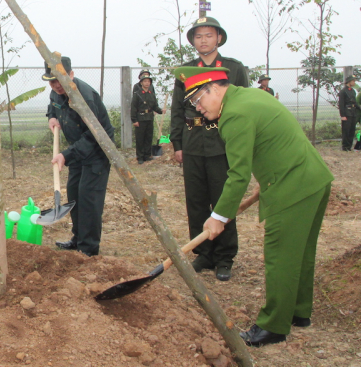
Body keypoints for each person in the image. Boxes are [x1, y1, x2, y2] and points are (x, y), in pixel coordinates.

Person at [176, 66, 334, 347]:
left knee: (281, 256)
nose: (198, 109)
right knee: (301, 252)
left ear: (214, 88)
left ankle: (273, 325)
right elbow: (274, 140)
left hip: (293, 186)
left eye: (199, 100)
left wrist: (217, 216)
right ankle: (298, 312)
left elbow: (238, 174)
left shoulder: (234, 114)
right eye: (193, 105)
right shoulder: (250, 96)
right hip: (314, 178)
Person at [170, 17, 250, 282]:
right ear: (193, 41)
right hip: (193, 143)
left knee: (222, 199)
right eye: (198, 36)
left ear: (219, 38)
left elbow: (244, 105)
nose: (203, 40)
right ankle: (203, 253)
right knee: (196, 201)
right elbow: (178, 109)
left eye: (208, 35)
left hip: (222, 143)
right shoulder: (185, 71)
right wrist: (178, 143)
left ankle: (224, 258)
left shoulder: (233, 69)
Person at [44, 56, 114, 257]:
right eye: (51, 80)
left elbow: (94, 135)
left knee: (89, 198)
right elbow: (52, 106)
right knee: (74, 194)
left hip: (97, 151)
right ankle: (78, 238)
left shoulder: (84, 97)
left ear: (71, 75)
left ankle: (89, 248)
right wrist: (52, 117)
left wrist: (65, 154)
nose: (56, 85)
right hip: (77, 151)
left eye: (60, 79)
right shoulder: (56, 93)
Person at [130, 74, 164, 164]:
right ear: (141, 83)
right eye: (145, 81)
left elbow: (154, 106)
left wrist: (161, 111)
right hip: (140, 118)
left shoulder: (151, 94)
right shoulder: (137, 94)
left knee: (148, 137)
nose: (147, 83)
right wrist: (134, 120)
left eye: (148, 81)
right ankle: (140, 157)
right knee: (140, 138)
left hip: (149, 118)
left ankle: (147, 155)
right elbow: (133, 107)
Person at [338, 74, 357, 152]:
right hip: (346, 112)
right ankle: (345, 147)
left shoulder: (353, 91)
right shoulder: (343, 92)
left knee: (352, 129)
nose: (354, 82)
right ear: (349, 82)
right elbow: (341, 104)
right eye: (353, 81)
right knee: (346, 130)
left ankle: (349, 146)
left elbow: (355, 102)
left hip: (353, 113)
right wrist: (342, 115)